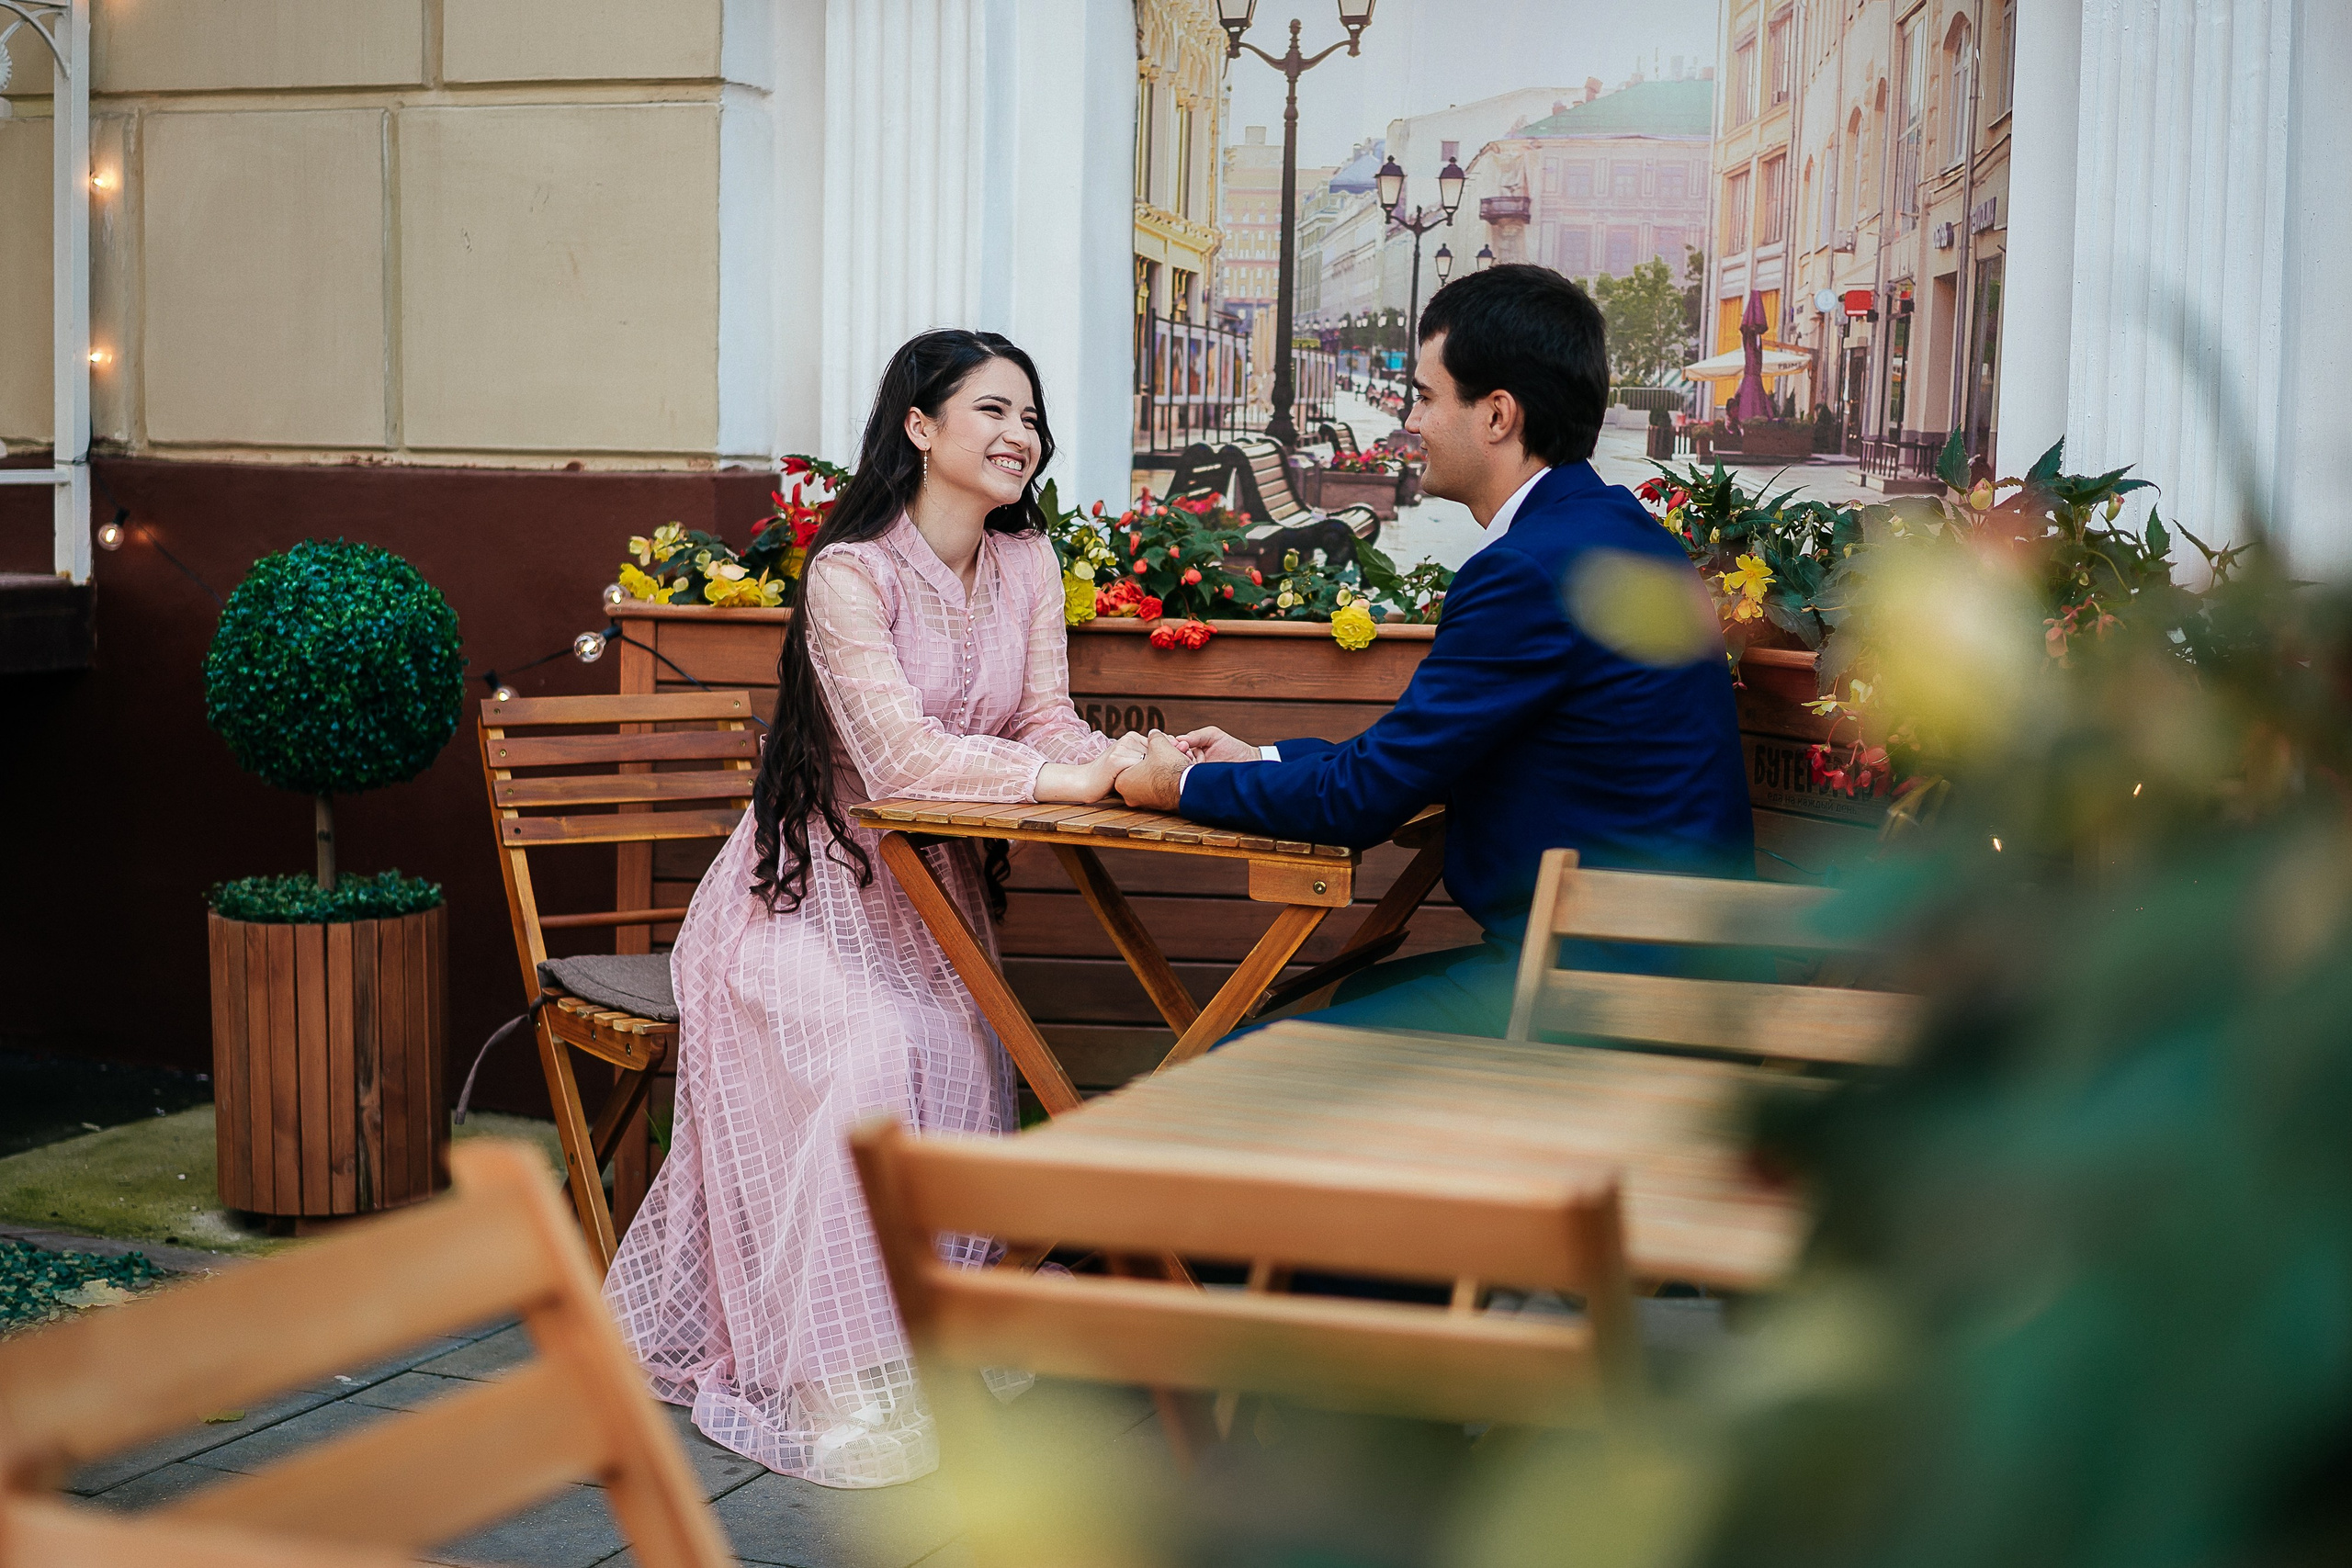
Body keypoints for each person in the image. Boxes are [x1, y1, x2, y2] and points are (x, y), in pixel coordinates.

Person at [605, 330, 1144, 1488]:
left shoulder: (1027, 563)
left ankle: (919, 1325)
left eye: (1030, 417)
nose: (1020, 435)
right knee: (871, 1047)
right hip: (800, 895)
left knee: (955, 1039)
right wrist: (1071, 781)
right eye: (992, 410)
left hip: (929, 904)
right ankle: (834, 1371)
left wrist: (1121, 762)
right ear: (919, 425)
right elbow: (898, 761)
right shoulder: (853, 573)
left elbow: (1043, 721)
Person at [1117, 265, 1752, 1036]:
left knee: (1240, 1064)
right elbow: (1414, 759)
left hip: (1603, 998)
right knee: (1339, 997)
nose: (1411, 421)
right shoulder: (1607, 532)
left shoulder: (1529, 570)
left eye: (1424, 396)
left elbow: (1363, 797)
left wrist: (1180, 786)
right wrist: (1258, 760)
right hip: (1649, 973)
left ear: (1498, 415)